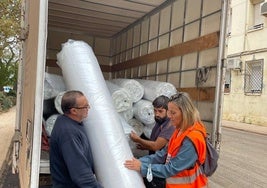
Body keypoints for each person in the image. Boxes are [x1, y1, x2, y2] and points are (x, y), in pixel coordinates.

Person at [124, 92, 208, 188]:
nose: (169, 116)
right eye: (169, 112)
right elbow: (162, 154)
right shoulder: (179, 130)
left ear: (185, 113)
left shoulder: (193, 138)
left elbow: (171, 169)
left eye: (173, 113)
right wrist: (140, 161)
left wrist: (142, 167)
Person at [49, 90, 103, 188]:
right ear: (73, 111)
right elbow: (81, 174)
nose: (88, 108)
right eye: (85, 107)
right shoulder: (68, 133)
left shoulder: (70, 122)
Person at [130, 95, 175, 188]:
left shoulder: (169, 126)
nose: (157, 114)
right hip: (154, 164)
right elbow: (156, 143)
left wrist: (138, 139)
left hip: (161, 169)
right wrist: (145, 146)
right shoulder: (159, 122)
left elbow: (156, 146)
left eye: (160, 111)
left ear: (168, 111)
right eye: (155, 110)